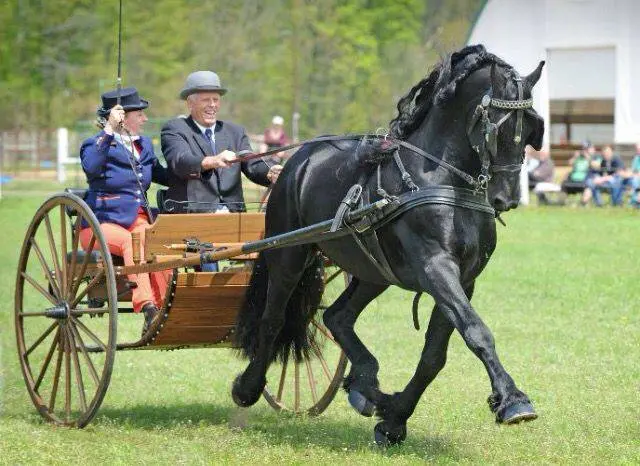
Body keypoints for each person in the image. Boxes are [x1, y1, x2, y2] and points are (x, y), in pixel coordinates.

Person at [79, 87, 170, 335]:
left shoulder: (143, 147)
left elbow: (165, 175)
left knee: (159, 243)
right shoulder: (95, 144)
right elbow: (91, 167)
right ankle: (148, 307)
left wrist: (201, 166)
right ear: (121, 116)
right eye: (139, 114)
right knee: (135, 242)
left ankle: (165, 306)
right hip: (100, 224)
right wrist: (109, 130)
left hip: (138, 219)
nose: (145, 119)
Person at [161, 70, 283, 214]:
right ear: (190, 103)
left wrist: (269, 171)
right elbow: (180, 161)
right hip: (192, 217)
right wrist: (213, 161)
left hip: (234, 217)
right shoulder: (175, 129)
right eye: (206, 100)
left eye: (216, 99)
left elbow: (251, 163)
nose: (212, 105)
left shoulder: (235, 131)